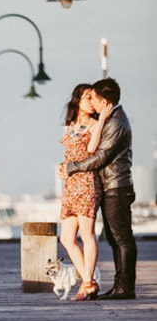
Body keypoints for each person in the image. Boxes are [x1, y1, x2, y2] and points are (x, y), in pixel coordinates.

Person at [66, 78, 136, 300]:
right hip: (111, 185)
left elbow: (101, 155)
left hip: (116, 185)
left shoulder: (115, 122)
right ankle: (119, 286)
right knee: (116, 239)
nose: (93, 104)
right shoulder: (112, 119)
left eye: (94, 98)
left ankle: (124, 287)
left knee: (122, 238)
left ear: (104, 100)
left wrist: (72, 167)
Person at [59, 84, 113, 301]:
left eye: (93, 99)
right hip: (71, 183)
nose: (91, 102)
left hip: (87, 181)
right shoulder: (70, 125)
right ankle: (89, 281)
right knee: (66, 237)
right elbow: (68, 153)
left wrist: (100, 122)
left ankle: (88, 282)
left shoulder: (94, 124)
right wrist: (60, 167)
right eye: (87, 98)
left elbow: (91, 150)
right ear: (77, 100)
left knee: (87, 234)